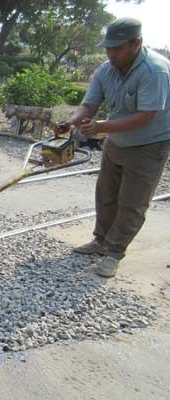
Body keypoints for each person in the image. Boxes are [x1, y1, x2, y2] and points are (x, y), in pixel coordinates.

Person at [55, 17, 170, 278]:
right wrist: (71, 122)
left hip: (149, 145)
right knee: (106, 194)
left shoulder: (155, 70)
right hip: (117, 141)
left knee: (132, 203)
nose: (111, 54)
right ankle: (101, 240)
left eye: (116, 48)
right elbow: (90, 104)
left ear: (136, 43)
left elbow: (145, 117)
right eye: (108, 48)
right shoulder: (105, 70)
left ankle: (115, 252)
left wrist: (101, 127)